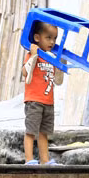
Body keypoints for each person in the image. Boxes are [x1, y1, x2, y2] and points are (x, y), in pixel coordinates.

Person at [22, 21, 66, 165]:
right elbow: (24, 73)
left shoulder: (51, 57)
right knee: (31, 132)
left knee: (44, 133)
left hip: (48, 101)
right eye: (48, 38)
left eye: (54, 38)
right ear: (37, 38)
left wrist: (61, 63)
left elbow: (58, 81)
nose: (52, 42)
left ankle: (45, 160)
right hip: (34, 100)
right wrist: (34, 56)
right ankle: (29, 160)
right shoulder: (31, 54)